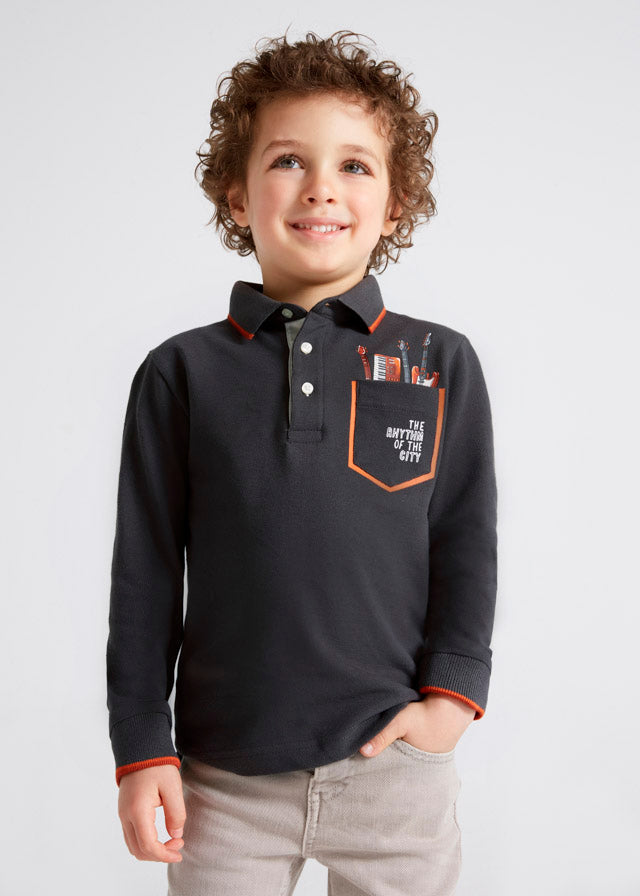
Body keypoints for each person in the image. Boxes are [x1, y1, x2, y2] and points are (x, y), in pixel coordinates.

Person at [106, 28, 498, 896]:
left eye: (355, 165)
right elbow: (144, 575)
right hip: (222, 783)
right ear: (236, 194)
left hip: (394, 769)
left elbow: (466, 542)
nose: (321, 186)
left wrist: (450, 700)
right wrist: (140, 747)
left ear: (394, 205)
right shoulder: (181, 372)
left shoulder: (440, 362)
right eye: (288, 160)